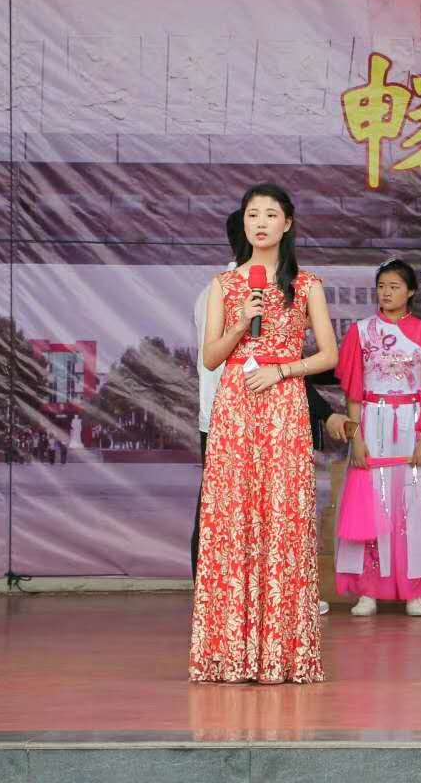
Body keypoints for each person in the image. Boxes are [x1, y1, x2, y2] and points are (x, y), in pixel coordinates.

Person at [191, 184, 338, 684]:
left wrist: (283, 370)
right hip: (235, 406)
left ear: (287, 223)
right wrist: (239, 326)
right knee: (233, 519)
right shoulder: (223, 285)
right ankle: (229, 652)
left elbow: (330, 355)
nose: (260, 223)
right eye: (252, 214)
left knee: (282, 517)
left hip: (284, 404)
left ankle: (282, 650)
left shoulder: (308, 285)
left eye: (270, 214)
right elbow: (211, 357)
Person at [333, 260, 421, 617]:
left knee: (413, 503)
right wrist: (356, 438)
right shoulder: (361, 332)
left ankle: (415, 591)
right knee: (372, 502)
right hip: (373, 419)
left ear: (411, 291)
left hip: (412, 421)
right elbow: (354, 393)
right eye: (382, 285)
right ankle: (368, 590)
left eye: (395, 286)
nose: (386, 292)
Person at [191, 210, 246, 576]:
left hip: (252, 416)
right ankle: (210, 591)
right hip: (228, 416)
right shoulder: (221, 291)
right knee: (218, 509)